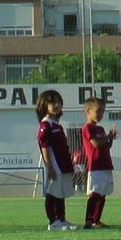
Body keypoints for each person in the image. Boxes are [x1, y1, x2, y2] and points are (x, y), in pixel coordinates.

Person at [35, 90, 77, 231]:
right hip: (54, 167)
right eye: (52, 102)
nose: (56, 105)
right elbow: (44, 146)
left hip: (63, 166)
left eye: (58, 102)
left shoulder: (57, 125)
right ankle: (53, 221)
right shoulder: (45, 125)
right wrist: (50, 167)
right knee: (52, 193)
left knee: (61, 193)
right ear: (44, 105)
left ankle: (62, 219)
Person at [81, 97, 116, 229]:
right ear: (88, 111)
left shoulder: (100, 128)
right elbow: (95, 144)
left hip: (106, 165)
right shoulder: (87, 128)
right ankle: (88, 220)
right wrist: (107, 137)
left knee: (103, 194)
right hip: (96, 167)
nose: (101, 114)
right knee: (95, 194)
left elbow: (106, 146)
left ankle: (96, 219)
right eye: (98, 111)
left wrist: (110, 138)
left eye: (103, 111)